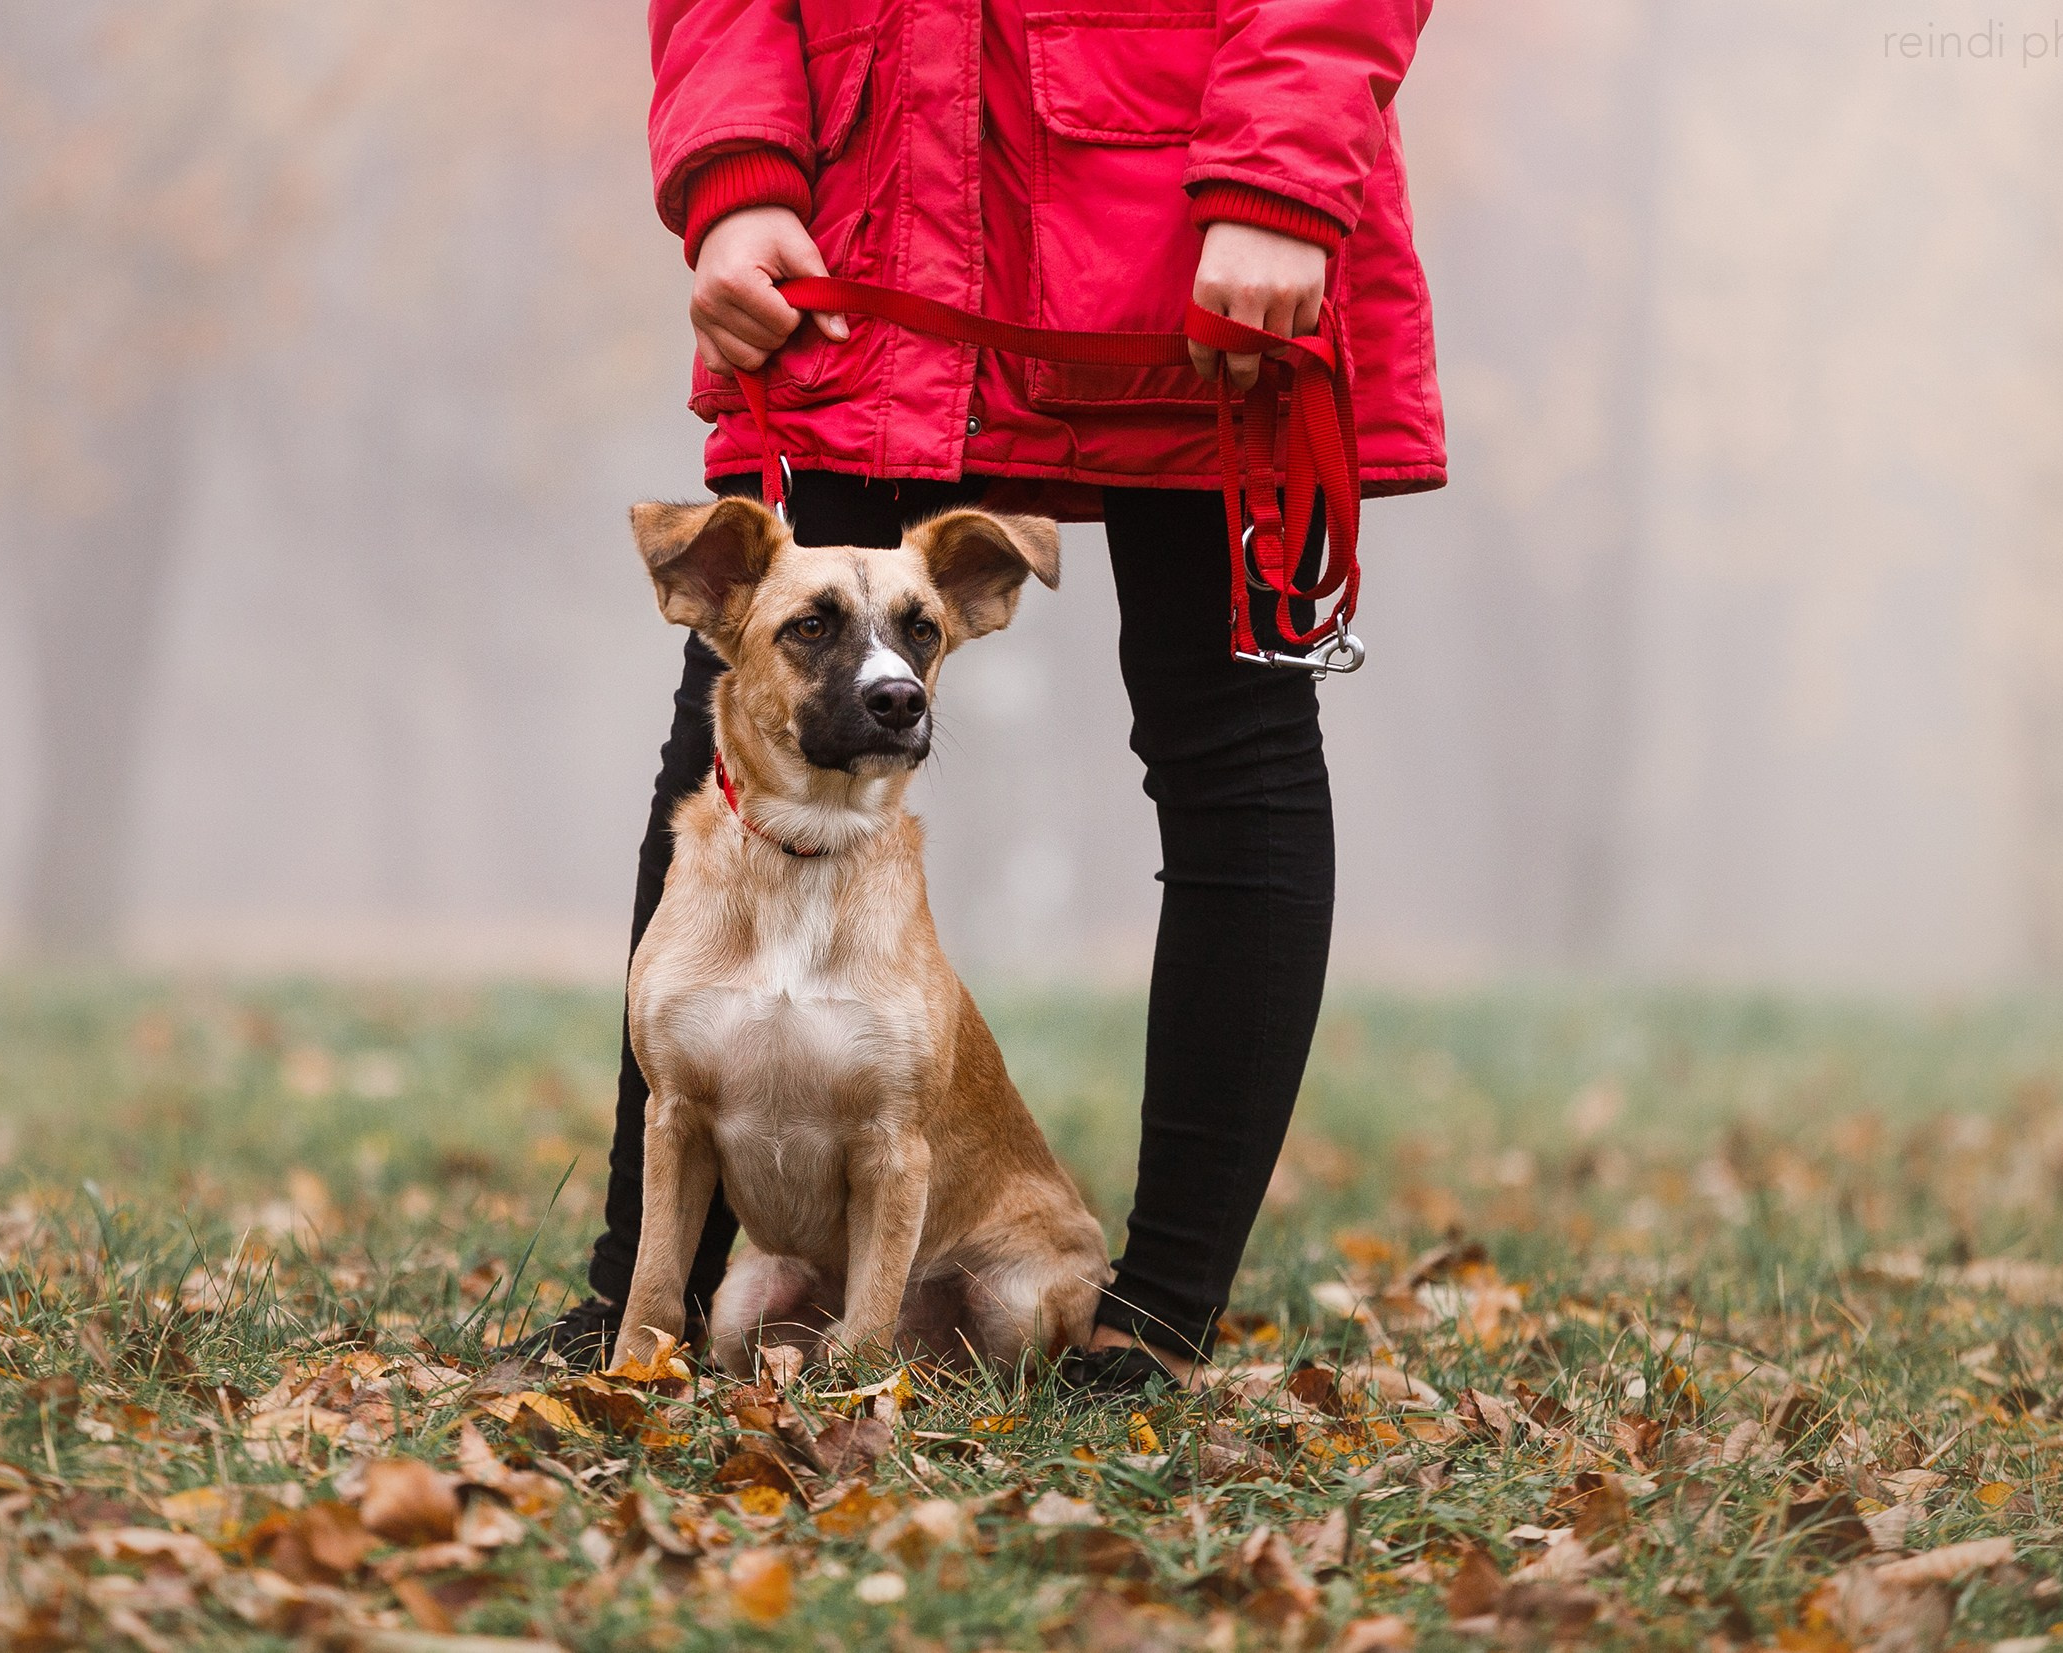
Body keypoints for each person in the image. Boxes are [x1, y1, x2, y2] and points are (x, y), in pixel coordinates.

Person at [523, 0, 1443, 1394]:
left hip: (1200, 214)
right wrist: (736, 171)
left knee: (1230, 741)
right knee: (740, 707)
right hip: (863, 201)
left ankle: (1156, 1322)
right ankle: (647, 1290)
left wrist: (1282, 168)